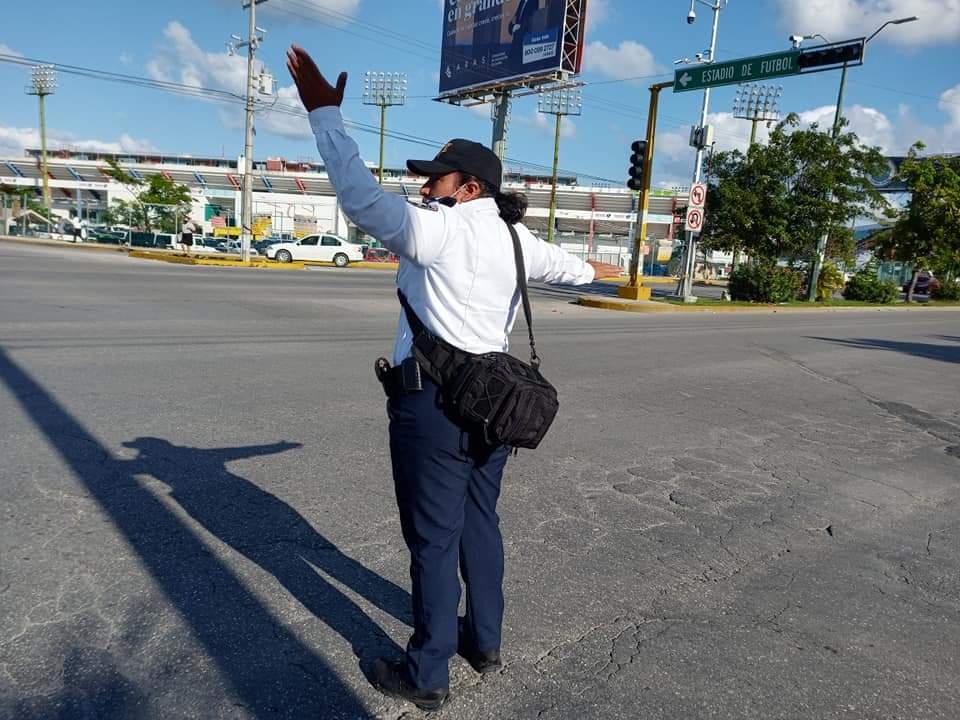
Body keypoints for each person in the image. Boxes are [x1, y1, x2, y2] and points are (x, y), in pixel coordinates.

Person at [286, 44, 619, 713]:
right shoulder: (519, 242)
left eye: (438, 178)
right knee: (479, 524)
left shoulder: (438, 232)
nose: (425, 186)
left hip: (434, 407)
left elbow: (358, 197)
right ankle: (484, 643)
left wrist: (325, 114)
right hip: (493, 405)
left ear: (470, 188)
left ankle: (428, 672)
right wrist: (611, 276)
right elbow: (583, 272)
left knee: (434, 540)